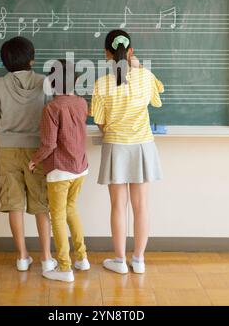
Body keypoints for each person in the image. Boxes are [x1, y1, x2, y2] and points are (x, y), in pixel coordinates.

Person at [90, 29, 164, 274]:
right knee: (141, 205)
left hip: (116, 146)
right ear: (131, 51)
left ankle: (120, 261)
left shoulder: (102, 84)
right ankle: (139, 260)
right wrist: (138, 66)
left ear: (106, 54)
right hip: (142, 145)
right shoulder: (145, 76)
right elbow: (156, 99)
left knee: (118, 206)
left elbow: (100, 122)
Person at [0, 36, 56, 273]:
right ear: (32, 59)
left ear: (5, 61)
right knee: (41, 203)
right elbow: (51, 117)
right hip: (38, 150)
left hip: (8, 149)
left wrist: (7, 133)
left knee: (13, 203)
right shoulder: (45, 82)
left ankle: (22, 257)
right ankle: (47, 258)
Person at [29, 59, 89, 283]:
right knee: (71, 209)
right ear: (75, 80)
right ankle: (82, 258)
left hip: (60, 171)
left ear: (51, 83)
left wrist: (34, 161)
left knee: (57, 216)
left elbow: (49, 144)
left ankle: (64, 267)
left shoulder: (51, 108)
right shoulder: (82, 103)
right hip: (80, 168)